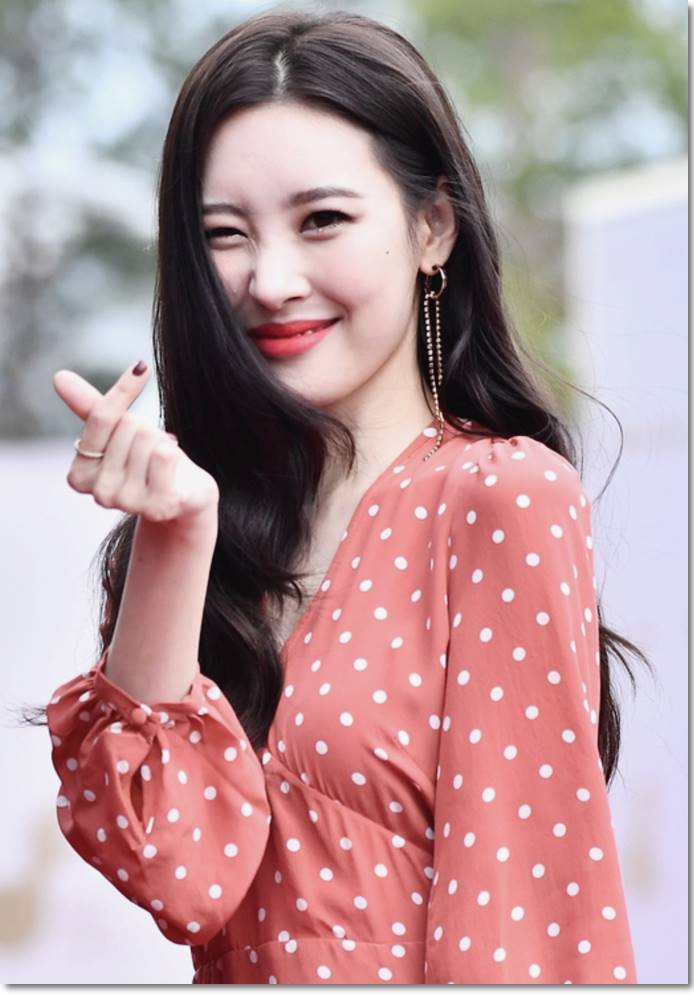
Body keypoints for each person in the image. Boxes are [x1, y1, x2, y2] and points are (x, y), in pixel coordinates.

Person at [42, 7, 649, 985]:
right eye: (224, 236)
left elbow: (523, 921)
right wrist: (175, 538)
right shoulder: (190, 545)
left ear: (432, 227)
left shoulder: (499, 497)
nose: (271, 280)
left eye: (321, 220)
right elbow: (177, 878)